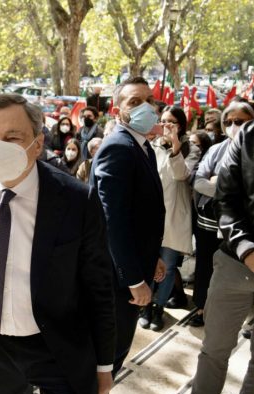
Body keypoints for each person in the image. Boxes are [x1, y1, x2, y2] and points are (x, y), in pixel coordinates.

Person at [0, 93, 116, 394]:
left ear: (37, 144)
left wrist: (104, 365)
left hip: (56, 345)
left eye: (12, 137)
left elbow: (99, 287)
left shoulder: (77, 199)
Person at [191, 113, 254, 394]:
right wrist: (248, 250)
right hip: (234, 263)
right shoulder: (250, 133)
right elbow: (225, 198)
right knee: (214, 350)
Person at [90, 76, 166, 375]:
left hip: (133, 267)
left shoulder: (141, 147)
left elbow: (140, 215)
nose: (146, 107)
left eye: (149, 101)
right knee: (107, 360)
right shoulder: (118, 147)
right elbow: (114, 220)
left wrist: (153, 256)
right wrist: (134, 279)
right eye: (135, 102)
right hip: (116, 280)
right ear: (117, 110)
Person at [189, 101, 254, 328]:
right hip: (209, 224)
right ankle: (201, 308)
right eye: (228, 122)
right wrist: (229, 188)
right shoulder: (216, 149)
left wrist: (220, 183)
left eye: (240, 121)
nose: (233, 126)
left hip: (245, 227)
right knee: (205, 267)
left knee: (244, 271)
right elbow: (198, 181)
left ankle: (249, 318)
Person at [138, 106, 201, 331]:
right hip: (151, 217)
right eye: (163, 121)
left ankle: (158, 307)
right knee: (149, 262)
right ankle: (145, 306)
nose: (166, 125)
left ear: (181, 124)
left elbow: (181, 174)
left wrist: (174, 147)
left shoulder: (190, 148)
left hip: (174, 218)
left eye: (171, 122)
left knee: (168, 266)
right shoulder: (151, 146)